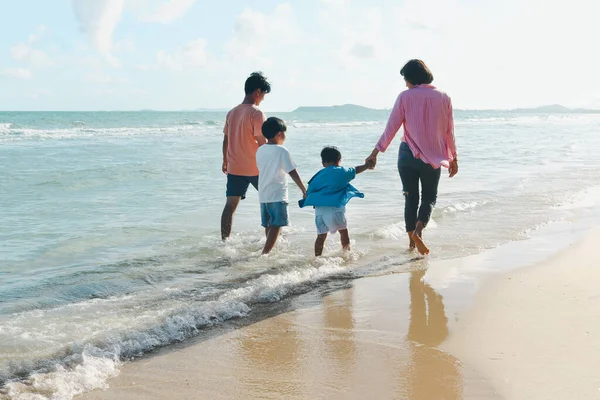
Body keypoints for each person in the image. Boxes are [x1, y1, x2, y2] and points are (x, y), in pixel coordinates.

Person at [365, 59, 458, 255]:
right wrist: (454, 158)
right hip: (433, 157)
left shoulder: (405, 97)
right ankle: (418, 231)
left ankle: (411, 243)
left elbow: (391, 128)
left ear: (412, 79)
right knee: (429, 198)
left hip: (407, 155)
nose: (405, 83)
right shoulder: (444, 97)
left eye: (405, 79)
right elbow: (449, 130)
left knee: (410, 198)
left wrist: (375, 152)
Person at [220, 71, 271, 241]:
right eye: (263, 94)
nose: (263, 98)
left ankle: (225, 241)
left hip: (235, 167)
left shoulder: (231, 112)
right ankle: (271, 243)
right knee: (268, 203)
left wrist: (225, 160)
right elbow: (263, 143)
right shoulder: (257, 113)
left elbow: (226, 138)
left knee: (230, 206)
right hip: (255, 168)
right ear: (257, 91)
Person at [299, 146, 372, 256]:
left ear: (323, 163)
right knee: (343, 232)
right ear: (339, 161)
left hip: (319, 212)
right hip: (335, 210)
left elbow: (308, 193)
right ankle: (347, 254)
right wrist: (367, 165)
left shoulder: (317, 176)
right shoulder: (342, 171)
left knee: (321, 236)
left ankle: (317, 258)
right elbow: (356, 170)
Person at [256, 117, 307, 254]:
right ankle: (265, 252)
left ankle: (270, 248)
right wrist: (303, 189)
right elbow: (293, 172)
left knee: (269, 224)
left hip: (264, 195)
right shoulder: (282, 151)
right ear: (279, 134)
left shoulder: (260, 150)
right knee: (277, 224)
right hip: (278, 194)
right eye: (284, 133)